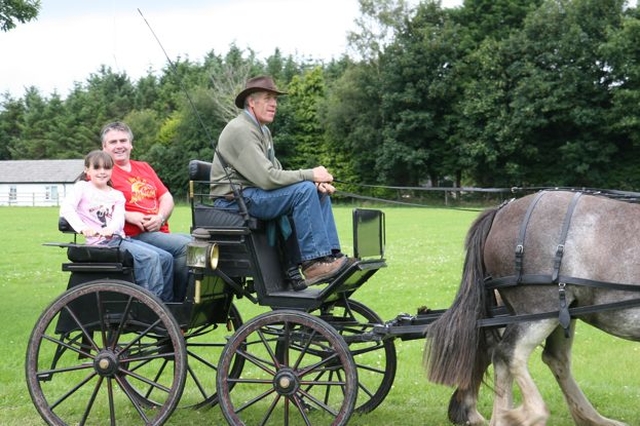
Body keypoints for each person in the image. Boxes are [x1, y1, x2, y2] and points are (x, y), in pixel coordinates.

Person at [210, 75, 348, 289]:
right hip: (234, 201)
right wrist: (311, 174)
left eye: (275, 99)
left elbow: (278, 172)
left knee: (313, 190)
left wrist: (315, 183)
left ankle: (330, 255)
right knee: (304, 189)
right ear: (251, 102)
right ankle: (313, 264)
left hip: (253, 194)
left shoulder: (262, 130)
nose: (274, 104)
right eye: (267, 98)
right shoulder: (240, 130)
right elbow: (267, 179)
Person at [60, 150, 175, 302]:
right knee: (150, 257)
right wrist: (82, 228)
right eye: (97, 168)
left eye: (106, 168)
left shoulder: (116, 195)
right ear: (87, 170)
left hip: (118, 239)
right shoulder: (82, 188)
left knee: (166, 258)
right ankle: (150, 303)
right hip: (100, 243)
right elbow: (67, 209)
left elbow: (118, 218)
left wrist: (111, 229)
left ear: (111, 170)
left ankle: (166, 305)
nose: (102, 172)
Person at [101, 121, 192, 302]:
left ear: (131, 144)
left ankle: (189, 300)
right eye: (113, 142)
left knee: (199, 242)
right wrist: (128, 215)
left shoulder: (143, 167)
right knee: (187, 248)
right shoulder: (102, 171)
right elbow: (95, 203)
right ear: (104, 147)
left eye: (123, 141)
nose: (119, 146)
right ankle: (175, 304)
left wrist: (160, 217)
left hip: (156, 231)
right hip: (132, 235)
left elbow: (166, 197)